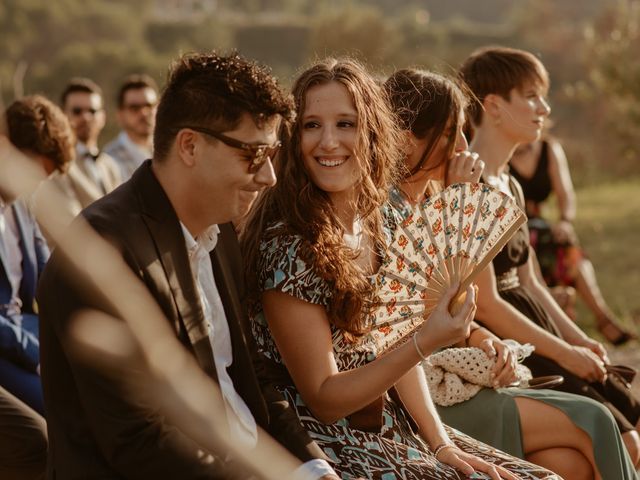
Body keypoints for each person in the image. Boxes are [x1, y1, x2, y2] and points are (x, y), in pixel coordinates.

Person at [242, 57, 559, 479]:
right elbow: (325, 397)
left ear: (373, 132)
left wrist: (442, 444)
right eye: (312, 125)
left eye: (346, 124)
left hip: (394, 424)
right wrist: (425, 341)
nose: (328, 142)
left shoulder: (386, 222)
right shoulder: (288, 246)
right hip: (326, 442)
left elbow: (398, 349)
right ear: (293, 137)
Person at [37, 52, 338, 479]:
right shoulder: (100, 255)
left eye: (273, 153)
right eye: (253, 154)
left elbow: (252, 375)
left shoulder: (221, 231)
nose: (269, 175)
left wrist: (313, 466)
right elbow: (139, 442)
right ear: (190, 146)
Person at [383, 67, 638, 479]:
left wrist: (486, 338)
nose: (462, 146)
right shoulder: (392, 210)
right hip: (429, 389)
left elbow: (466, 305)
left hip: (461, 368)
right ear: (406, 137)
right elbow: (442, 302)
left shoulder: (427, 201)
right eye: (451, 134)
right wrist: (461, 202)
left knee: (569, 463)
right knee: (598, 423)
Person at [458, 45, 640, 464]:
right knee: (620, 439)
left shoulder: (510, 184)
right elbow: (487, 301)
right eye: (531, 96)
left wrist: (580, 340)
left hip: (535, 323)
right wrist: (565, 355)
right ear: (493, 106)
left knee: (627, 410)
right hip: (504, 340)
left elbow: (531, 282)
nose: (544, 106)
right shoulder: (471, 185)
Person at [510, 137, 635, 345]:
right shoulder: (499, 149)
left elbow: (565, 194)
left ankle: (598, 317)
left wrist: (566, 221)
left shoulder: (549, 149)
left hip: (541, 228)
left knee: (566, 244)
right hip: (513, 232)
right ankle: (598, 322)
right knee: (557, 247)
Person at [60, 77, 122, 196]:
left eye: (92, 111)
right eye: (77, 111)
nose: (86, 117)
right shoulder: (59, 165)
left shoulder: (110, 165)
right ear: (62, 115)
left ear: (103, 117)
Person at [104, 74, 159, 180]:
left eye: (149, 105)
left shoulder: (170, 152)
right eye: (134, 108)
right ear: (120, 115)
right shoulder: (109, 160)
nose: (143, 112)